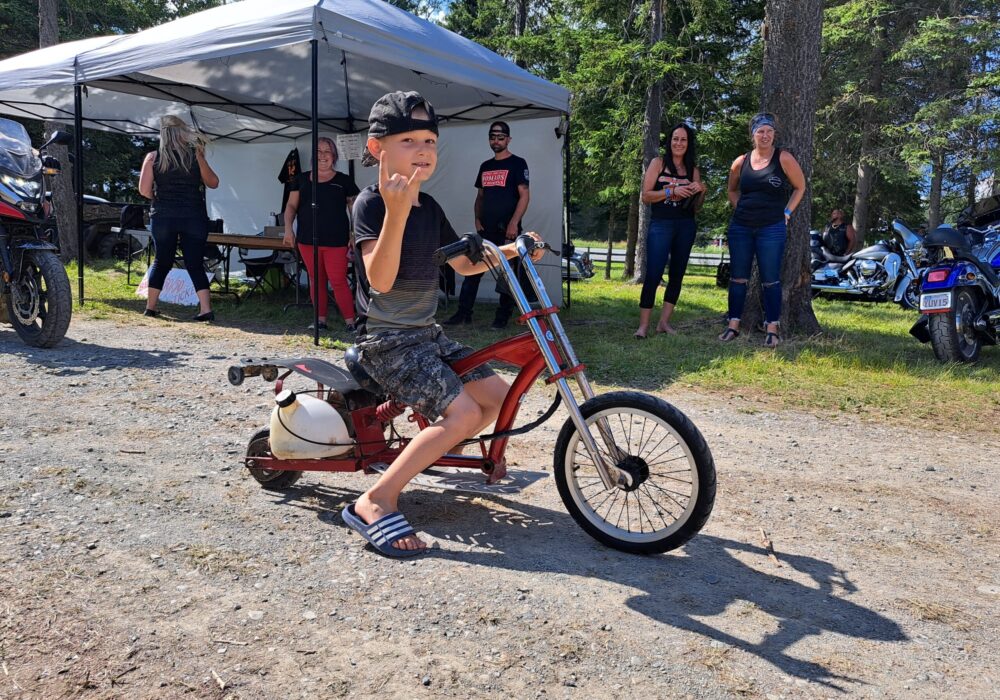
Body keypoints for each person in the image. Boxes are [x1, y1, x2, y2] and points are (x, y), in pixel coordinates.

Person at [341, 92, 543, 557]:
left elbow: (464, 263)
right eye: (409, 139)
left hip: (427, 334)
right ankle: (375, 500)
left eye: (430, 139)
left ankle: (426, 450)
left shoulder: (428, 207)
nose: (423, 149)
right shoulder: (371, 206)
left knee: (495, 397)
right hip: (387, 341)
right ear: (377, 148)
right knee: (465, 414)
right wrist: (394, 213)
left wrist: (512, 250)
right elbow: (380, 278)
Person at [719, 113, 806, 348]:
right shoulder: (741, 161)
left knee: (770, 280)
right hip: (741, 227)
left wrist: (787, 213)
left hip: (772, 227)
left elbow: (800, 187)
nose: (765, 135)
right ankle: (733, 325)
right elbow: (732, 190)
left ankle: (772, 328)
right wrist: (741, 208)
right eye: (760, 131)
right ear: (753, 135)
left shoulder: (783, 158)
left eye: (769, 131)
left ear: (774, 134)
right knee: (738, 278)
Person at [444, 121, 530, 329]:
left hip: (508, 230)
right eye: (493, 137)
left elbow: (524, 195)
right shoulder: (486, 166)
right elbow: (480, 196)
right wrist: (477, 218)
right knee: (473, 269)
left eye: (501, 137)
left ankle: (502, 317)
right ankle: (464, 313)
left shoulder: (518, 163)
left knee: (508, 274)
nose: (496, 141)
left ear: (508, 139)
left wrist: (514, 223)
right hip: (485, 230)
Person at [137, 115, 219, 321]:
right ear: (182, 134)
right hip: (194, 216)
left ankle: (151, 307)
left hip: (163, 216)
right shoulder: (194, 155)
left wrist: (158, 198)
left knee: (161, 261)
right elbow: (213, 182)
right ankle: (206, 309)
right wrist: (201, 158)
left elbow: (144, 190)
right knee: (195, 262)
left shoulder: (153, 157)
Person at [634, 123, 706, 339]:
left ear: (688, 143)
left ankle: (664, 323)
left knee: (677, 274)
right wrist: (672, 190)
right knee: (654, 273)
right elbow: (646, 196)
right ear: (670, 141)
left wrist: (701, 191)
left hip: (685, 224)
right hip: (661, 223)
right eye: (675, 138)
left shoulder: (693, 170)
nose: (679, 143)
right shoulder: (658, 163)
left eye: (683, 139)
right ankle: (643, 326)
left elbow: (696, 207)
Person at [282, 137, 360, 331]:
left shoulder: (344, 181)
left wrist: (354, 233)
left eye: (327, 151)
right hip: (307, 239)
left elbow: (356, 209)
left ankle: (351, 322)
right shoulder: (300, 179)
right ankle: (320, 320)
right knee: (316, 280)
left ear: (334, 156)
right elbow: (291, 206)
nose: (322, 155)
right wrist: (288, 228)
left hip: (337, 240)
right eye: (318, 151)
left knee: (338, 280)